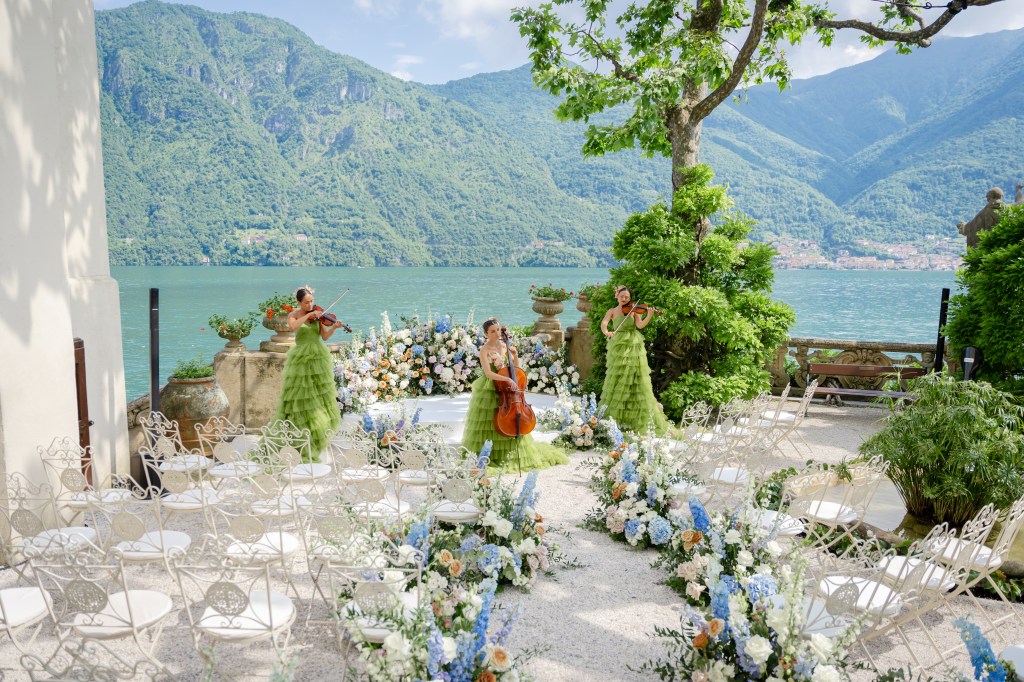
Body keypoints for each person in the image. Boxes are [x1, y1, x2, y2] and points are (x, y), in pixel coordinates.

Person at [462, 318, 568, 472]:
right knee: (490, 421)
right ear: (486, 334)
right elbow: (488, 373)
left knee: (511, 415)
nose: (497, 333)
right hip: (492, 386)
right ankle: (490, 455)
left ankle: (509, 453)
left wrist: (516, 356)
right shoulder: (484, 350)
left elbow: (515, 370)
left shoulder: (505, 346)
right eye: (492, 331)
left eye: (498, 330)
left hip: (507, 386)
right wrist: (506, 379)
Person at [274, 286, 346, 461]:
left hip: (318, 357)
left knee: (318, 396)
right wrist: (307, 315)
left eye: (311, 301)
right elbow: (292, 327)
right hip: (301, 358)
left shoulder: (319, 316)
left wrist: (334, 327)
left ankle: (317, 436)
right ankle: (298, 437)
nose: (310, 304)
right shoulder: (295, 315)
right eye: (306, 302)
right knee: (300, 396)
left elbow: (325, 337)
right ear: (299, 302)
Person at [599, 285, 669, 436]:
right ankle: (616, 418)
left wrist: (649, 314)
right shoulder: (612, 311)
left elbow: (640, 325)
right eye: (622, 296)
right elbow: (604, 324)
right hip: (618, 344)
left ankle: (635, 418)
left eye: (627, 298)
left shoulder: (633, 310)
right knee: (619, 376)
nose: (625, 299)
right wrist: (607, 332)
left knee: (634, 376)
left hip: (633, 343)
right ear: (616, 295)